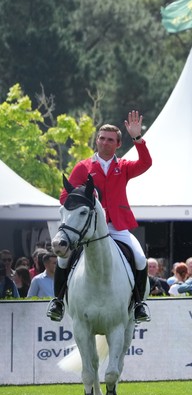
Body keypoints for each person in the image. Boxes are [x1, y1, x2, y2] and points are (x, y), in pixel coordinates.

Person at [47, 111, 152, 323]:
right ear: (97, 140)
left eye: (110, 140)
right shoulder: (83, 167)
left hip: (116, 226)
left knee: (140, 258)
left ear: (118, 144)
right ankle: (57, 301)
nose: (105, 143)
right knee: (63, 258)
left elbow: (145, 163)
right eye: (102, 138)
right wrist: (86, 196)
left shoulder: (123, 167)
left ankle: (139, 304)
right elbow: (64, 197)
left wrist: (138, 139)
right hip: (88, 229)